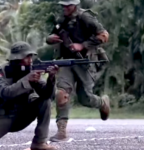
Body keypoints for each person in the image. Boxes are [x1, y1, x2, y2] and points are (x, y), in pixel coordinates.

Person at [46, 0, 110, 142]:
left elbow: (104, 35)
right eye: (63, 5)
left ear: (75, 5)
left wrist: (83, 45)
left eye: (67, 6)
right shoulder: (61, 19)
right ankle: (61, 131)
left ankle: (102, 103)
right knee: (62, 93)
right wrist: (50, 39)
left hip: (85, 61)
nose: (65, 8)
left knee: (85, 98)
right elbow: (52, 36)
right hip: (66, 61)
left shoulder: (85, 17)